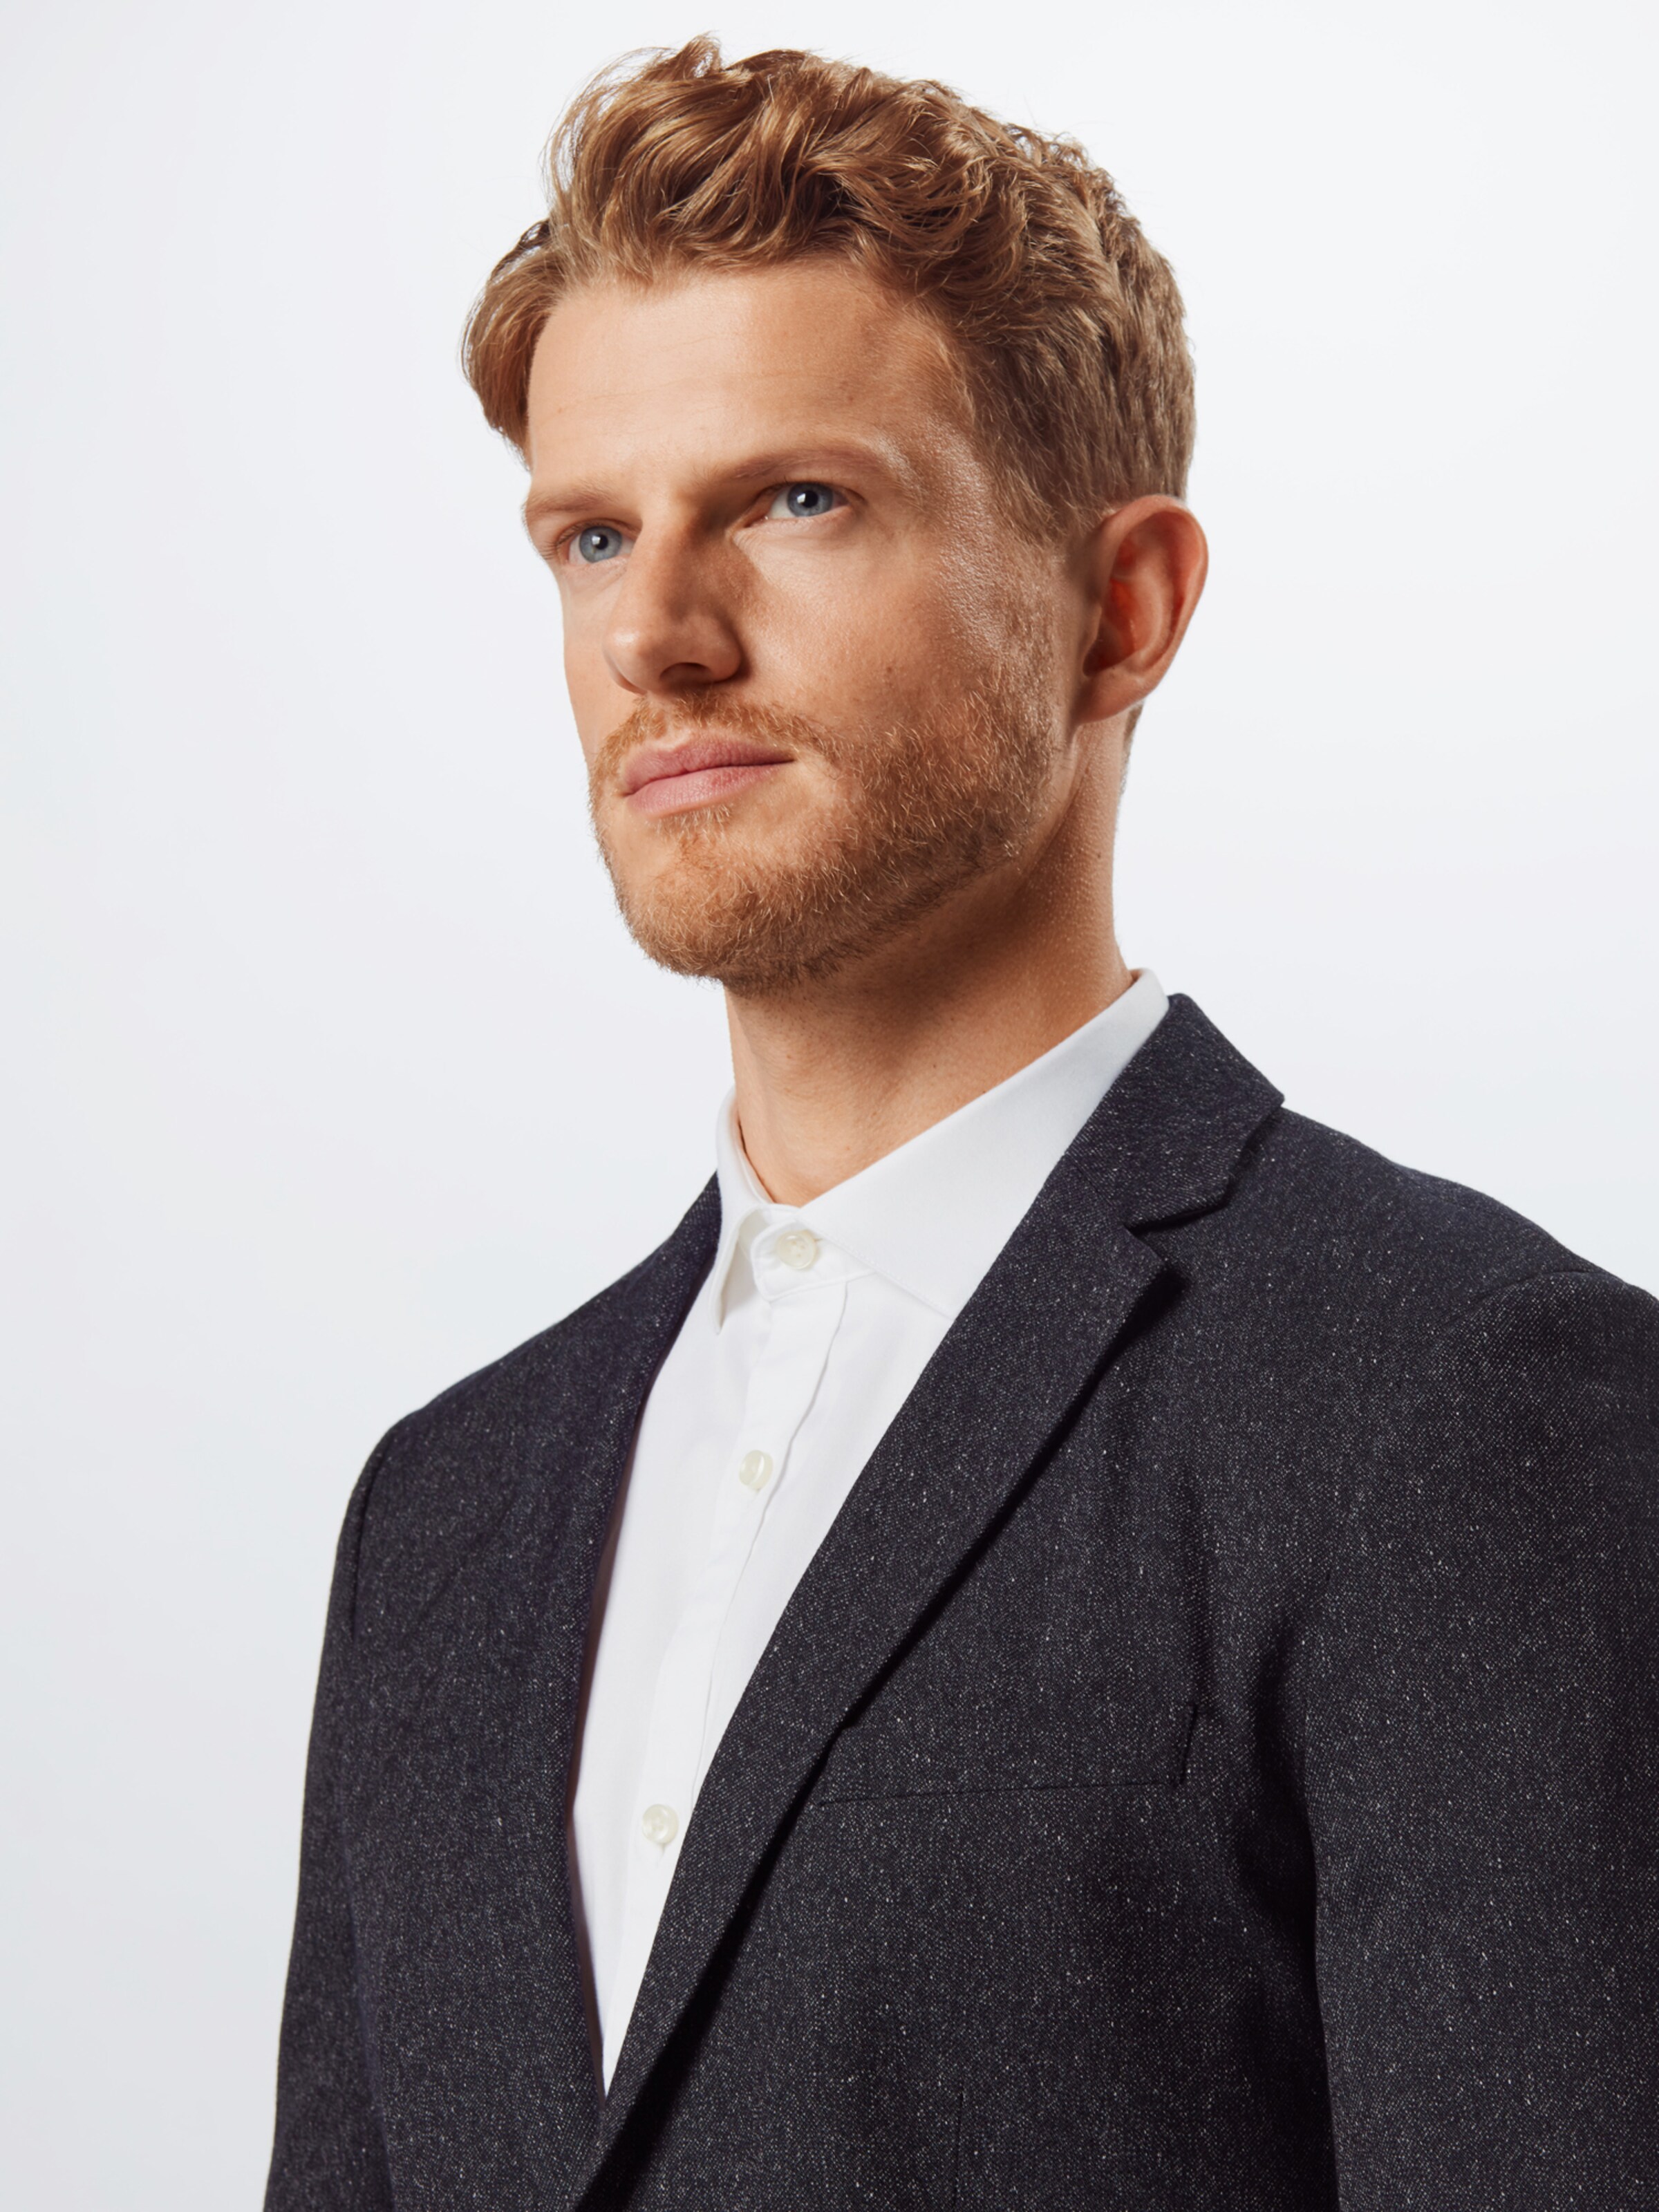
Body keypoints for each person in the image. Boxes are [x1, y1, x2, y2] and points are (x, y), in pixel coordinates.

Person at [264, 39, 1659, 2211]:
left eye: (795, 503)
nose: (656, 635)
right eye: (593, 534)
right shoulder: (442, 1517)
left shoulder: (1459, 1406)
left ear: (1126, 607)